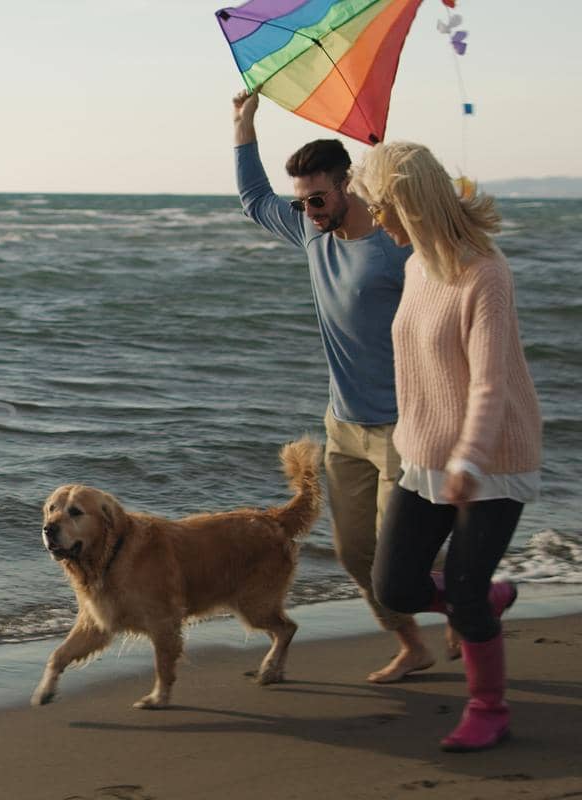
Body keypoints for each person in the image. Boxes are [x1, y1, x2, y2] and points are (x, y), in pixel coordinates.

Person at [231, 90, 435, 683]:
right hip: (343, 426)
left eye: (318, 198)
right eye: (303, 202)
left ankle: (471, 601)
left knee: (404, 555)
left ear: (349, 185)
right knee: (354, 553)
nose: (310, 210)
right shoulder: (311, 232)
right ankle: (414, 643)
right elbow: (252, 200)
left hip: (405, 424)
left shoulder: (398, 244)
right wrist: (244, 125)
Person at [355, 141, 540, 753]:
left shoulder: (485, 271)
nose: (375, 219)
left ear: (406, 204)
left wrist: (468, 458)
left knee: (460, 593)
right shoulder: (414, 266)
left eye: (379, 207)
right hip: (426, 457)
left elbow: (490, 382)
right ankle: (484, 597)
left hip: (492, 459)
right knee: (395, 587)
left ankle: (490, 707)